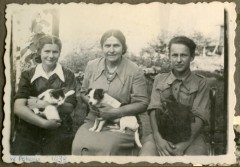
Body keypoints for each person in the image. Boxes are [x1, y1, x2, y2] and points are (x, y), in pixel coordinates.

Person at [72, 29, 149, 155]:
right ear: (102, 47)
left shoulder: (135, 70)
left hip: (122, 122)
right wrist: (96, 107)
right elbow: (83, 92)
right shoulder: (92, 66)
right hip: (94, 119)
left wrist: (115, 112)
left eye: (116, 45)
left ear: (123, 47)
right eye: (107, 45)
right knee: (79, 145)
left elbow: (142, 103)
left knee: (107, 147)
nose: (111, 50)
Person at [140, 36, 210, 156]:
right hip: (162, 134)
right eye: (174, 55)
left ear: (192, 57)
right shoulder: (159, 79)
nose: (178, 60)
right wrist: (158, 139)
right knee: (146, 156)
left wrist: (182, 146)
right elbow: (154, 110)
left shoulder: (201, 83)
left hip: (191, 137)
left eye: (183, 55)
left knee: (195, 159)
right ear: (169, 56)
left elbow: (199, 117)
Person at [12, 35, 77, 155]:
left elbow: (70, 107)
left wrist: (44, 104)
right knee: (19, 158)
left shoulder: (68, 75)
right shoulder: (28, 75)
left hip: (59, 127)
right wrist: (44, 124)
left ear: (59, 53)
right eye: (47, 51)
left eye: (55, 52)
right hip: (30, 126)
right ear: (39, 52)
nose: (51, 56)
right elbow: (18, 107)